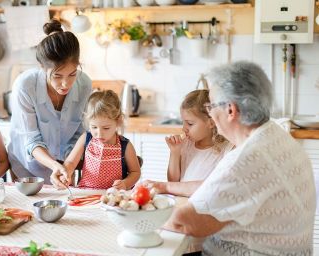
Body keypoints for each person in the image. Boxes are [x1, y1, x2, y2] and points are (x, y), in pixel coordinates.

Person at [167, 61, 316, 255]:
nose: (210, 113)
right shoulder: (277, 137)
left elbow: (183, 223)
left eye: (211, 106)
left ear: (230, 110)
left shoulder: (245, 160)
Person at [7, 19, 92, 186]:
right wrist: (55, 165)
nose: (66, 84)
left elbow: (80, 134)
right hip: (28, 166)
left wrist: (67, 165)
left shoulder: (84, 84)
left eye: (72, 74)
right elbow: (31, 140)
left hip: (66, 164)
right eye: (57, 76)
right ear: (42, 67)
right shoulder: (25, 86)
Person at [144, 89, 232, 197]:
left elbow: (217, 188)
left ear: (211, 123)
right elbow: (172, 182)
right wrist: (175, 153)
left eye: (190, 124)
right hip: (182, 203)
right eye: (183, 122)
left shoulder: (226, 150)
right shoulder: (186, 144)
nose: (184, 128)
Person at [53, 90, 141, 190]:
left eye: (106, 128)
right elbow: (71, 162)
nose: (99, 134)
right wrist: (66, 173)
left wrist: (125, 184)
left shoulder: (126, 146)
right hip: (86, 193)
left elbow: (135, 172)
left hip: (113, 196)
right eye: (94, 127)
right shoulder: (86, 138)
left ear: (118, 121)